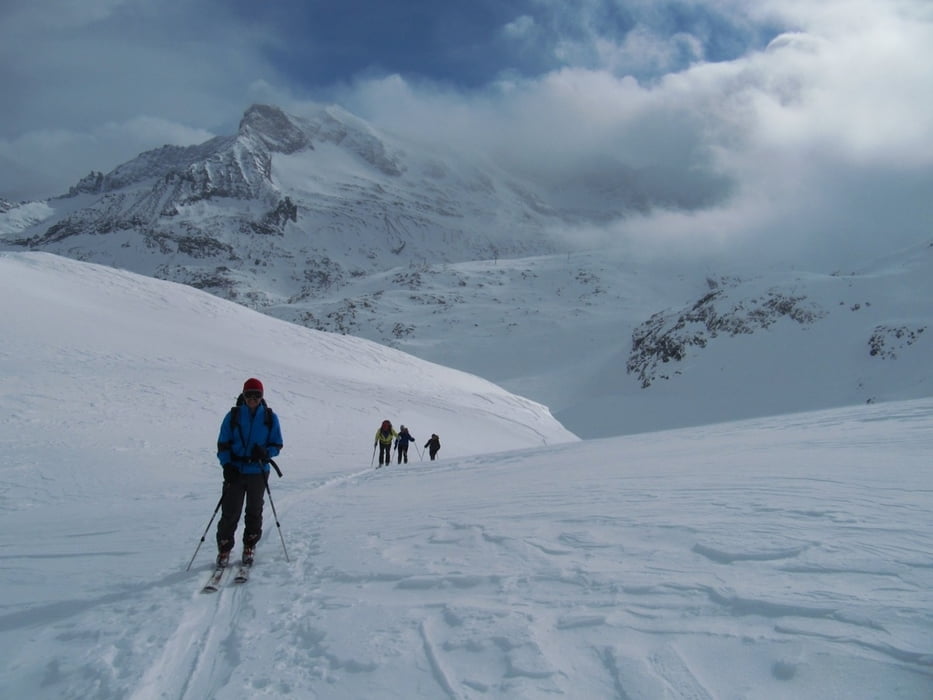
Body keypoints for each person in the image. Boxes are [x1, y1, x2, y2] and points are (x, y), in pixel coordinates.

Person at [215, 378, 283, 567]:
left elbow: (277, 444)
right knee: (230, 510)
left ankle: (249, 545)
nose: (252, 399)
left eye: (257, 395)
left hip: (258, 470)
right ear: (243, 395)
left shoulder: (270, 417)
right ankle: (224, 547)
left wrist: (265, 453)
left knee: (254, 510)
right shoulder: (233, 416)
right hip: (235, 469)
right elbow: (223, 444)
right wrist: (226, 465)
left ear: (262, 397)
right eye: (249, 395)